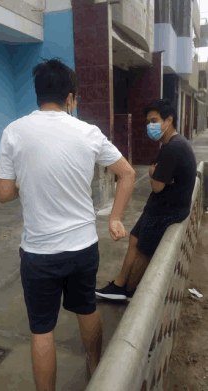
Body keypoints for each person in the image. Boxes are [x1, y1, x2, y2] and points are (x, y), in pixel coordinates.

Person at [0, 59, 136, 391]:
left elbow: (2, 193)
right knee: (86, 308)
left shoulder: (14, 131)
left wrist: (24, 182)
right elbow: (127, 174)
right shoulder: (88, 132)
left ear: (38, 95)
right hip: (83, 248)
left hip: (39, 253)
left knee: (42, 330)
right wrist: (115, 218)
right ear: (71, 98)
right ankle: (97, 369)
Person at [95, 98, 197, 302]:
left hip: (165, 212)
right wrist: (155, 172)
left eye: (154, 121)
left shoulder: (173, 148)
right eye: (148, 122)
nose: (150, 126)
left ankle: (130, 292)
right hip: (159, 207)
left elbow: (157, 185)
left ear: (169, 120)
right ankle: (119, 284)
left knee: (143, 250)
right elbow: (159, 175)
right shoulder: (172, 144)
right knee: (134, 239)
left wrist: (153, 172)